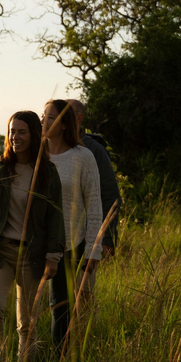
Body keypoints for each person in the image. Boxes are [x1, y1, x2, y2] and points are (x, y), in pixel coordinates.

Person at [0, 111, 65, 362]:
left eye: (21, 131)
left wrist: (53, 256)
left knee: (26, 322)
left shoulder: (46, 172)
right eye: (11, 131)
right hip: (1, 250)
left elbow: (55, 217)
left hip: (32, 254)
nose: (15, 137)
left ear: (34, 135)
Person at [42, 98, 103, 353]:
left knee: (61, 306)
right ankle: (27, 360)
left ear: (65, 124)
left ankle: (59, 361)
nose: (44, 121)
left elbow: (94, 205)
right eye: (43, 116)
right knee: (30, 308)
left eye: (51, 117)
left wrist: (93, 251)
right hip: (35, 241)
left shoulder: (82, 157)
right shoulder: (36, 154)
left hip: (69, 243)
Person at [68, 99, 121, 258]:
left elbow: (109, 193)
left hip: (85, 236)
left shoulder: (94, 150)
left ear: (78, 118)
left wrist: (107, 238)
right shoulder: (49, 148)